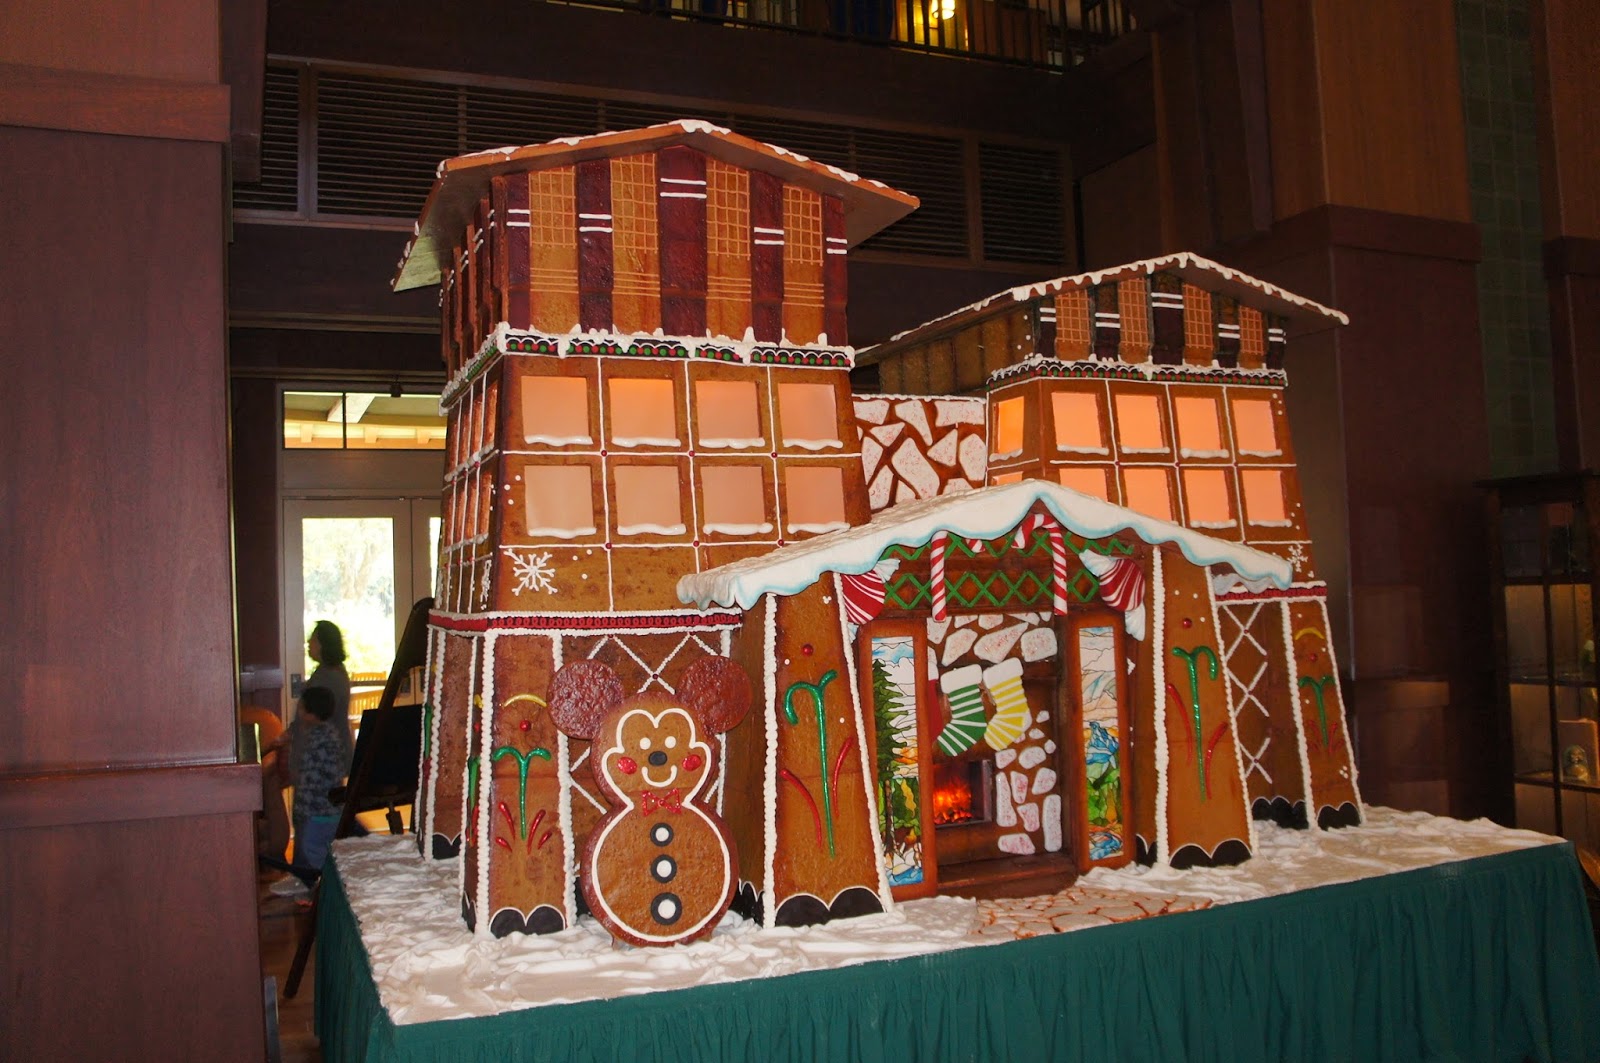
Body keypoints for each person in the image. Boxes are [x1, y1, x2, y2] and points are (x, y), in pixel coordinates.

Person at [268, 684, 349, 898]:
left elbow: (310, 778)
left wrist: (302, 804)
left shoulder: (318, 739)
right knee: (318, 848)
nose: (300, 712)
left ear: (311, 713)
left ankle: (312, 887)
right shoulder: (327, 732)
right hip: (325, 807)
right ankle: (310, 883)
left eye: (302, 708)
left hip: (317, 809)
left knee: (314, 850)